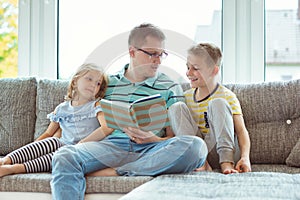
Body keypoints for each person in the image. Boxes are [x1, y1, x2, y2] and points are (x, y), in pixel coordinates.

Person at [50, 23, 208, 200]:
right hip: (111, 146)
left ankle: (120, 171)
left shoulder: (170, 86)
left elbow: (173, 138)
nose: (158, 60)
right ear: (132, 52)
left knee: (196, 147)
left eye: (161, 54)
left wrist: (154, 138)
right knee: (64, 156)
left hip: (152, 149)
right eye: (152, 53)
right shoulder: (106, 82)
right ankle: (131, 167)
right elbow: (80, 109)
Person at [0, 63, 112, 177]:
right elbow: (48, 133)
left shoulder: (96, 105)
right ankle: (5, 160)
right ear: (75, 81)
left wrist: (82, 143)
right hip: (62, 143)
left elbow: (106, 128)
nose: (94, 85)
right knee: (51, 141)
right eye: (89, 79)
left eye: (98, 83)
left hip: (81, 150)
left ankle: (14, 168)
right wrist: (33, 148)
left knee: (59, 156)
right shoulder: (62, 108)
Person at [169, 43, 251, 174]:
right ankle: (201, 163)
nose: (188, 73)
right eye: (188, 67)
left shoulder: (227, 96)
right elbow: (177, 133)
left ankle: (226, 164)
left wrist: (245, 158)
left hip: (223, 149)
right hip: (199, 153)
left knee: (218, 103)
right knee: (176, 107)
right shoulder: (186, 97)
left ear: (214, 70)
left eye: (195, 68)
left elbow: (241, 131)